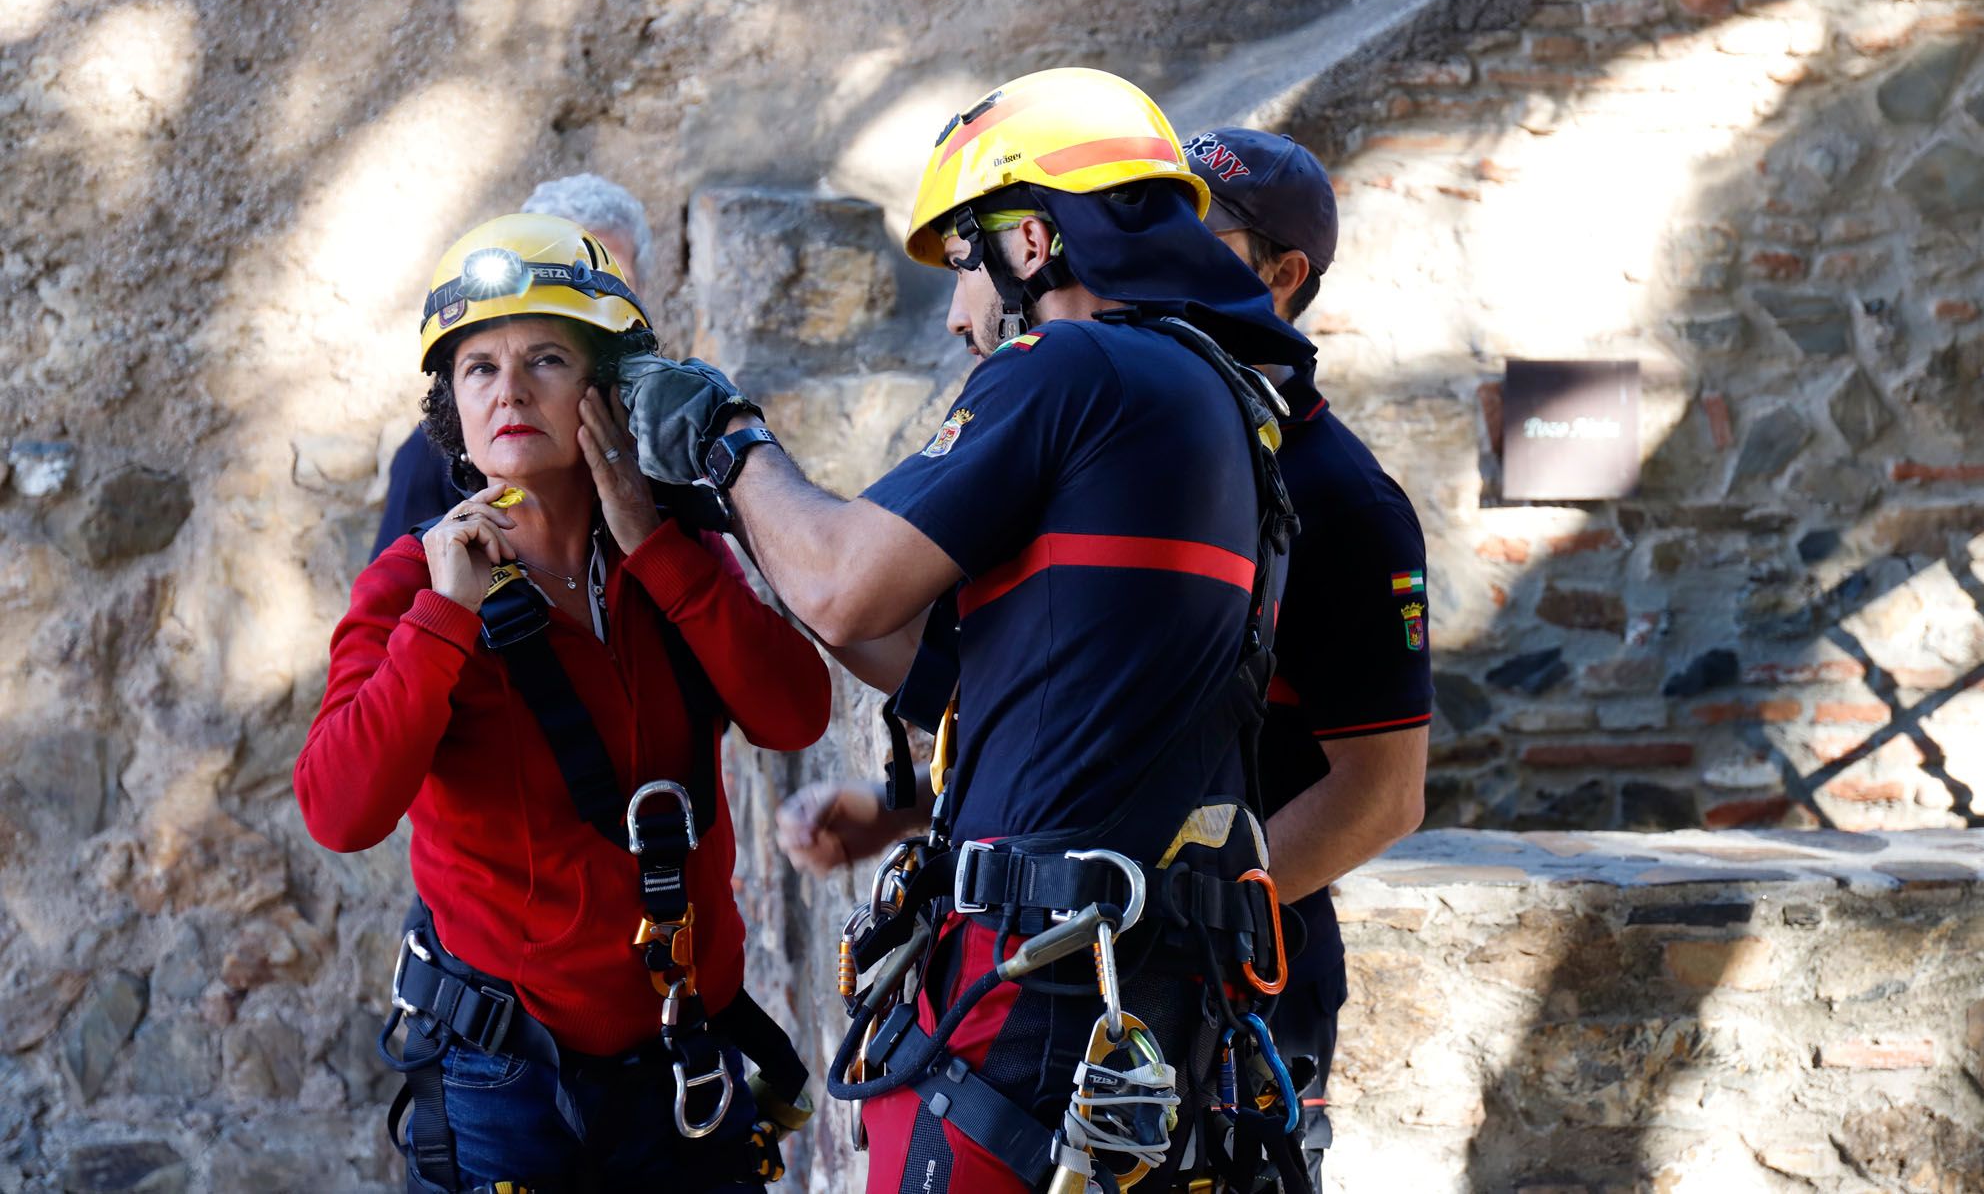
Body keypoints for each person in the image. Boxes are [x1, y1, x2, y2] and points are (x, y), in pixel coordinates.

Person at [618, 68, 1320, 1192]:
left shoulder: (1069, 366)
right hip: (1127, 997)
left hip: (1028, 1007)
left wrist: (726, 438)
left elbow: (846, 586)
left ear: (1033, 241)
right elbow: (926, 666)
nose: (956, 313)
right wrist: (748, 519)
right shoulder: (1213, 403)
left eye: (963, 264)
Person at [295, 213, 831, 1192]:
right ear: (450, 411)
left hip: (685, 1069)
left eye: (545, 357)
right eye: (479, 368)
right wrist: (443, 618)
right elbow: (339, 809)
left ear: (603, 391)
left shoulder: (673, 558)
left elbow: (795, 713)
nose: (509, 389)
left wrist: (662, 550)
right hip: (511, 1086)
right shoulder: (410, 587)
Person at [1185, 126, 1432, 1188]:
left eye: (1198, 231)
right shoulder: (1145, 445)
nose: (1155, 250)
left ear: (1281, 276)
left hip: (1244, 984)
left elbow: (1381, 796)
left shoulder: (1346, 502)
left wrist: (1189, 913)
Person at [372, 174, 655, 558]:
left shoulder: (666, 433)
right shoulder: (433, 453)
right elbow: (398, 596)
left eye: (613, 278)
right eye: (573, 278)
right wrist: (447, 607)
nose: (596, 298)